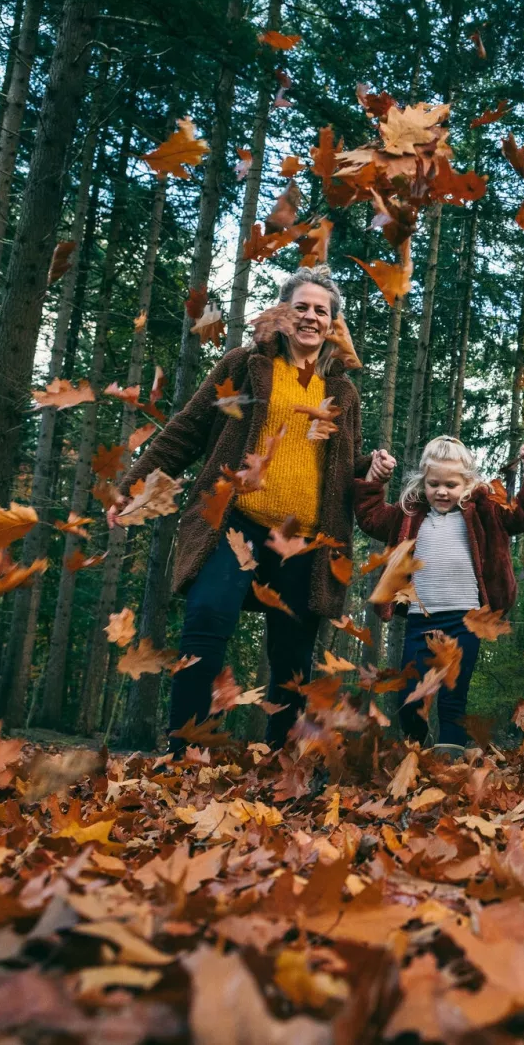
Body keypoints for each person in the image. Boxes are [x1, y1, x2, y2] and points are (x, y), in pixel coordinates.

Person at [111, 266, 367, 749]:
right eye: (302, 307)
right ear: (282, 313)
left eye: (322, 311)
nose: (311, 317)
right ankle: (185, 750)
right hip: (235, 523)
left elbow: (343, 462)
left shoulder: (343, 392)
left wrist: (371, 466)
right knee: (206, 621)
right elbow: (187, 428)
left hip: (304, 540)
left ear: (333, 324)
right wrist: (133, 484)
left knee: (292, 655)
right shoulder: (245, 365)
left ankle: (280, 761)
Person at [354, 436, 524, 754]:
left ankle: (450, 762)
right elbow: (370, 518)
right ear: (423, 482)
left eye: (451, 484)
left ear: (467, 483)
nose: (442, 491)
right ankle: (418, 748)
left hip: (465, 621)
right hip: (421, 623)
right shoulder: (409, 517)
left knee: (452, 694)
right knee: (409, 697)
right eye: (434, 484)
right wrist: (374, 480)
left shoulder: (484, 514)